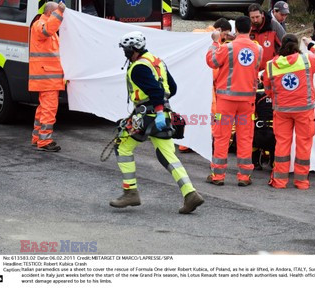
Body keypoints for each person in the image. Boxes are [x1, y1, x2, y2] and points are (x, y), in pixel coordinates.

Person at [110, 31, 204, 214]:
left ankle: (130, 192)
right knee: (168, 156)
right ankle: (190, 194)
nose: (125, 53)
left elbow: (155, 91)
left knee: (121, 146)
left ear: (133, 49)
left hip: (149, 116)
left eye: (126, 50)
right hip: (161, 114)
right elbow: (172, 88)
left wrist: (157, 110)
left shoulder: (138, 67)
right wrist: (162, 109)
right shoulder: (157, 61)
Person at [263, 34, 315, 189]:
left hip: (282, 110)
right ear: (297, 46)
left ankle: (279, 181)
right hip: (304, 110)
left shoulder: (271, 66)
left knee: (282, 144)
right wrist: (311, 44)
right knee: (304, 144)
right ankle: (301, 181)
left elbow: (268, 89)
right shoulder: (307, 60)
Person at [206, 16, 263, 186]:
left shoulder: (227, 48)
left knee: (222, 136)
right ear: (251, 29)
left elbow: (211, 61)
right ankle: (244, 177)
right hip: (247, 102)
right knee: (245, 137)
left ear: (235, 30)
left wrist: (215, 43)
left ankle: (218, 176)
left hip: (226, 101)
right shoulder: (258, 49)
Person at [179, 18, 233, 153]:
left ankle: (185, 143)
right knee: (211, 113)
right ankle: (208, 141)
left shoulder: (197, 33)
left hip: (190, 80)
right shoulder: (215, 44)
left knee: (190, 112)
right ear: (219, 30)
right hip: (206, 83)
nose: (226, 37)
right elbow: (214, 69)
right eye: (225, 34)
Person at [29, 1, 66, 152]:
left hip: (48, 76)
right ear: (51, 13)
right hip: (47, 77)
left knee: (43, 109)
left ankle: (37, 138)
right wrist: (60, 12)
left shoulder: (45, 25)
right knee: (49, 109)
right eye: (57, 13)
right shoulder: (40, 25)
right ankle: (44, 141)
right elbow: (47, 30)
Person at [248, 3, 284, 70]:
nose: (255, 20)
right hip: (253, 70)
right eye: (252, 18)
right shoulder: (247, 28)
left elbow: (286, 44)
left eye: (257, 17)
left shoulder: (274, 25)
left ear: (262, 14)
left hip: (271, 69)